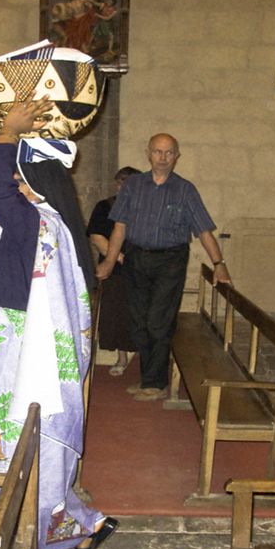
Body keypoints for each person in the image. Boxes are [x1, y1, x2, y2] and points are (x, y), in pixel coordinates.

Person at [0, 99, 116, 549]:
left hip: (15, 368)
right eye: (16, 178)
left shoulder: (36, 223)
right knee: (29, 453)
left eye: (21, 177)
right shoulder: (34, 228)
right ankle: (65, 539)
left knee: (3, 452)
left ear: (37, 183)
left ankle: (17, 546)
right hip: (13, 361)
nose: (15, 186)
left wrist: (6, 136)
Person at [96, 133, 231, 401]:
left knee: (158, 321)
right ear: (148, 153)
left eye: (169, 153)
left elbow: (203, 230)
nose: (163, 158)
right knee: (138, 321)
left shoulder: (185, 190)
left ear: (177, 156)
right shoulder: (133, 186)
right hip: (136, 258)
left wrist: (219, 264)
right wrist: (110, 261)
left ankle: (155, 383)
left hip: (170, 260)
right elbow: (120, 226)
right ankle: (148, 378)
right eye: (158, 152)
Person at [87, 166, 140, 376]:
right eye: (121, 183)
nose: (123, 188)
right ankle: (122, 357)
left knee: (139, 315)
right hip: (116, 270)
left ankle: (144, 360)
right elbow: (96, 235)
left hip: (142, 269)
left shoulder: (144, 207)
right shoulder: (104, 206)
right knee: (117, 314)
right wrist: (118, 257)